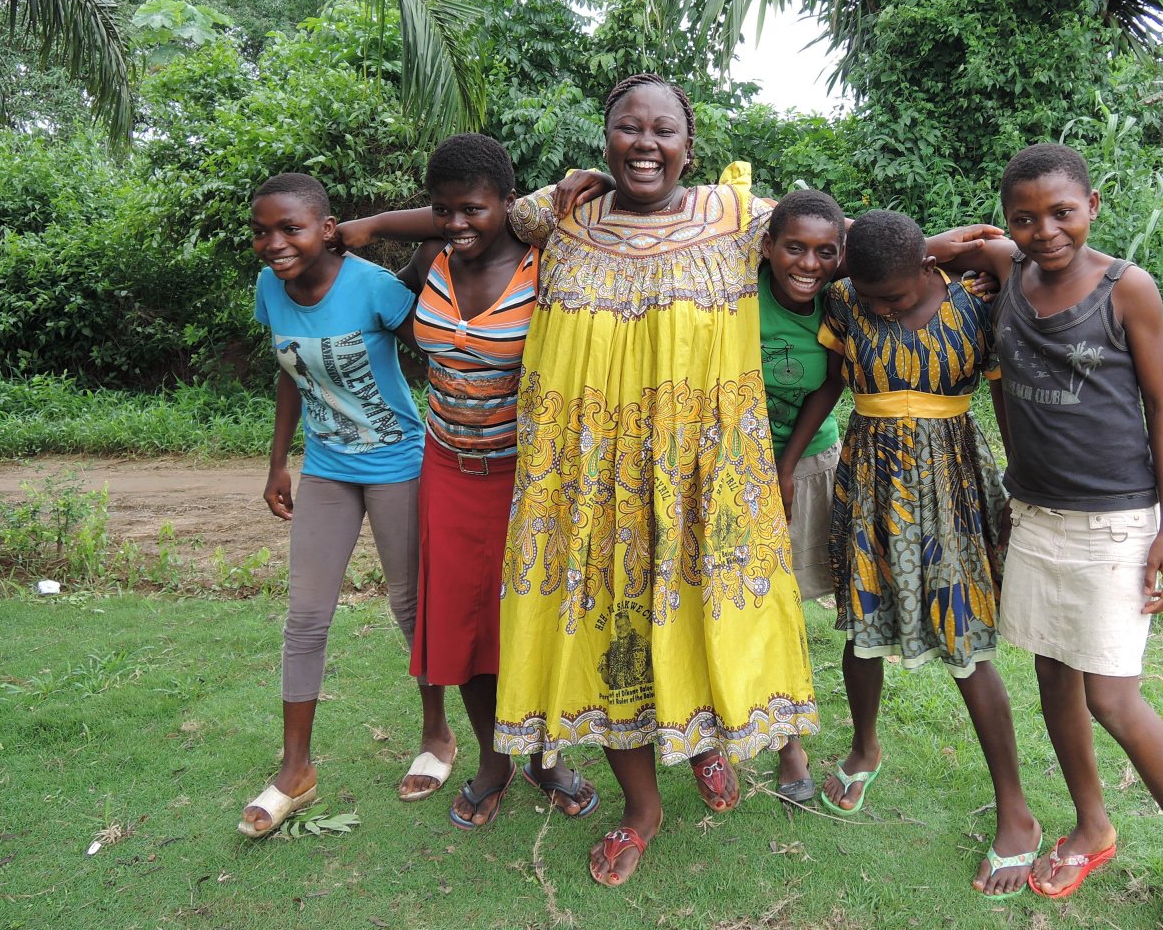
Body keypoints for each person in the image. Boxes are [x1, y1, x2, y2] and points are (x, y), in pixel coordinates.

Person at [494, 74, 820, 887]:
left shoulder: (739, 217)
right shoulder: (564, 216)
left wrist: (962, 251)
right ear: (603, 138)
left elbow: (833, 242)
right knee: (610, 633)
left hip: (700, 477)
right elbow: (496, 216)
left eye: (663, 129)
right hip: (590, 483)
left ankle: (705, 741)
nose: (646, 143)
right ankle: (642, 807)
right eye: (627, 128)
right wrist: (568, 185)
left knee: (705, 613)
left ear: (690, 142)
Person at [958, 143, 1163, 930]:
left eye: (1062, 213)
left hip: (1117, 518)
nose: (1045, 231)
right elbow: (930, 249)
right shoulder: (1011, 271)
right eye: (1024, 218)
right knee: (1054, 675)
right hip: (1037, 516)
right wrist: (977, 244)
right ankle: (1092, 825)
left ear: (1094, 208)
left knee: (1111, 694)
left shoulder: (1127, 290)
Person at [338, 135, 602, 830]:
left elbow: (596, 191)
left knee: (529, 624)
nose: (457, 223)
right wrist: (359, 235)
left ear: (510, 207)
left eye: (473, 210)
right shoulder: (431, 261)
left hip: (529, 479)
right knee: (466, 629)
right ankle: (494, 759)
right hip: (449, 471)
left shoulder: (548, 268)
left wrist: (590, 176)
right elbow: (384, 301)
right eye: (444, 210)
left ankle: (546, 758)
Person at [782, 209, 1042, 895]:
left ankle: (1015, 810)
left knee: (966, 637)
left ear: (929, 269)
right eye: (871, 297)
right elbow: (833, 382)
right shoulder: (845, 299)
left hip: (951, 484)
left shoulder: (974, 307)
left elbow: (1007, 398)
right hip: (868, 481)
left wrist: (1020, 481)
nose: (881, 307)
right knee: (861, 625)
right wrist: (786, 462)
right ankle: (865, 747)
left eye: (892, 296)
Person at [239, 173, 447, 838]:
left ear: (327, 229)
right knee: (305, 615)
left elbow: (445, 241)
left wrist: (379, 225)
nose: (274, 243)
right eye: (262, 231)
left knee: (410, 606)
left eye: (290, 228)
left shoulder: (371, 287)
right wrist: (278, 459)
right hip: (327, 466)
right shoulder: (271, 288)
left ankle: (438, 737)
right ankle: (295, 769)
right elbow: (288, 370)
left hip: (398, 465)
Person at [755, 189, 845, 805]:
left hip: (806, 458)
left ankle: (790, 739)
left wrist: (785, 465)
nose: (808, 264)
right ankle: (715, 730)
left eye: (824, 252)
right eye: (794, 248)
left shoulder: (840, 303)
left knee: (784, 601)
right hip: (729, 462)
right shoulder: (737, 287)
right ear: (767, 247)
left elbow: (830, 384)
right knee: (734, 595)